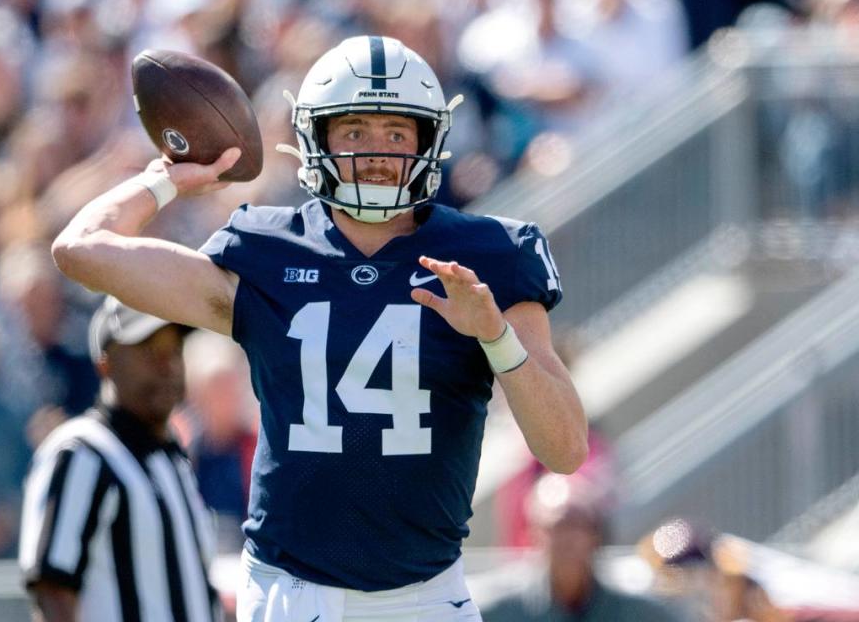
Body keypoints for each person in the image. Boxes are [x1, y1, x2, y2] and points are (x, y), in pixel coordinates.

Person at [51, 35, 588, 621]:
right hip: (289, 591)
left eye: (396, 133)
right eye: (354, 131)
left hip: (427, 594)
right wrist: (168, 178)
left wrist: (495, 335)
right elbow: (80, 250)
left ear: (429, 141)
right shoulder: (265, 249)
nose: (376, 153)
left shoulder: (488, 255)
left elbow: (564, 450)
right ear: (317, 138)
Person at [18, 296, 221, 622]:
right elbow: (52, 590)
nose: (167, 365)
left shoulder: (172, 457)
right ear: (105, 364)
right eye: (149, 351)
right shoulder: (82, 452)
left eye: (175, 350)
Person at [481, 471, 681, 622]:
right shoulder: (500, 611)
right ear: (535, 535)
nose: (567, 539)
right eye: (556, 527)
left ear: (595, 535)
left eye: (576, 525)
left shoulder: (637, 612)